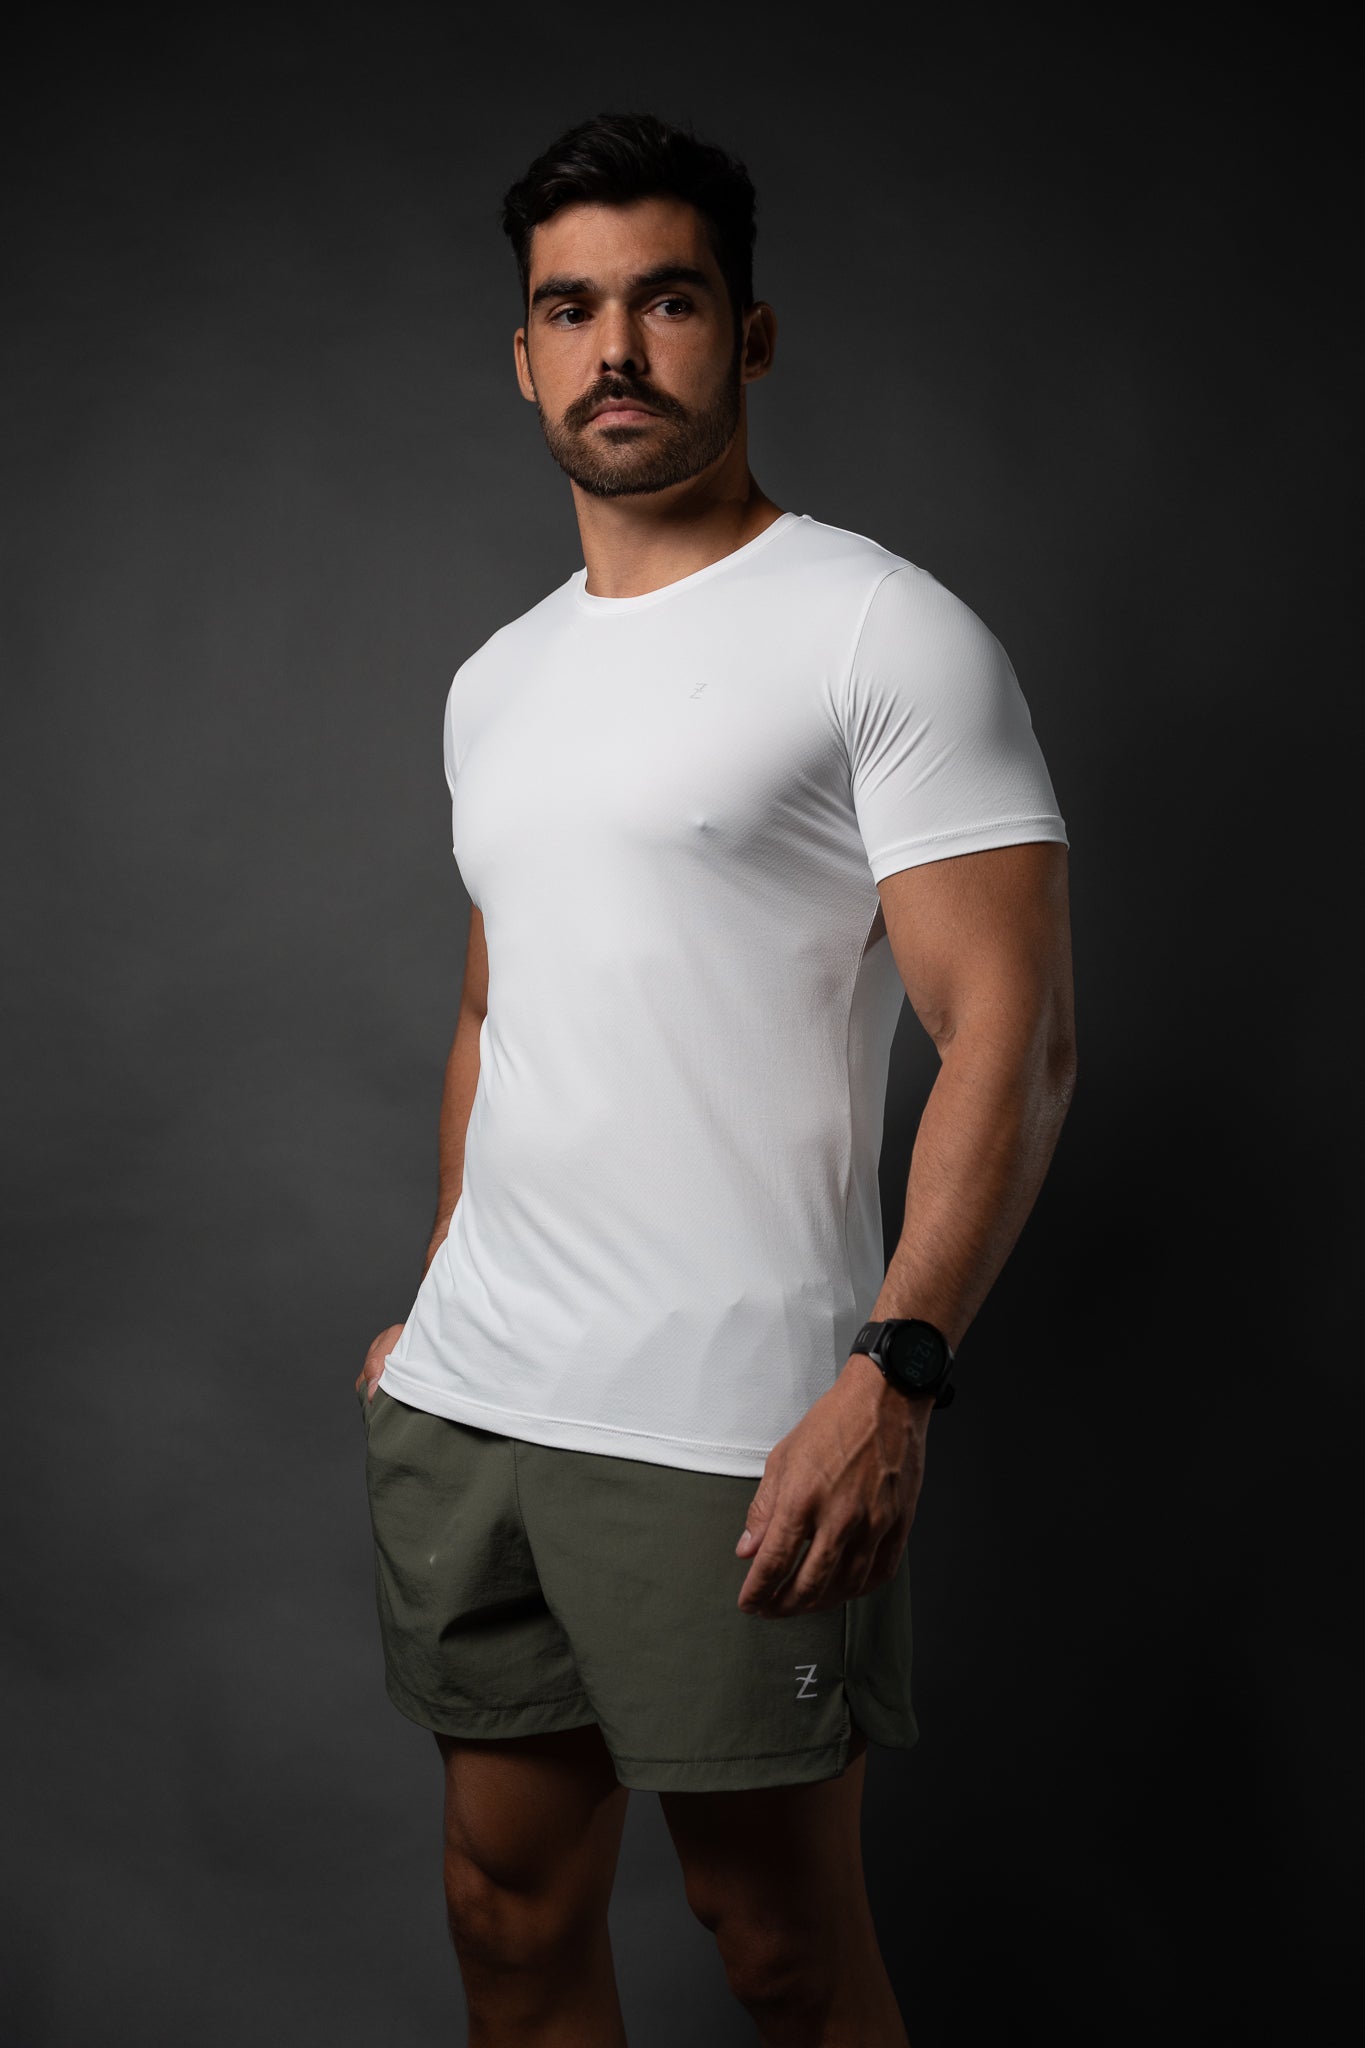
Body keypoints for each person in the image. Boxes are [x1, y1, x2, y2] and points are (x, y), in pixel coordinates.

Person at [354, 109, 1077, 2048]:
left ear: (746, 334)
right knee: (503, 1912)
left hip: (727, 1432)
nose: (612, 349)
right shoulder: (496, 679)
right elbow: (497, 1010)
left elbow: (1012, 1035)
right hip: (477, 1405)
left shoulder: (878, 631)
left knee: (777, 1948)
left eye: (663, 301)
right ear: (521, 355)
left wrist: (896, 1373)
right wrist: (437, 1290)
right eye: (566, 309)